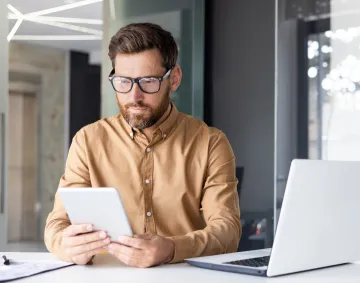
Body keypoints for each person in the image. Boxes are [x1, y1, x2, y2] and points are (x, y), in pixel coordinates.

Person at [44, 23, 241, 268]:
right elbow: (56, 225)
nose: (133, 96)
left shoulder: (211, 143)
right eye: (123, 82)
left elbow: (227, 231)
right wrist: (67, 244)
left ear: (175, 79)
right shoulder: (87, 141)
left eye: (148, 81)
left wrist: (171, 249)